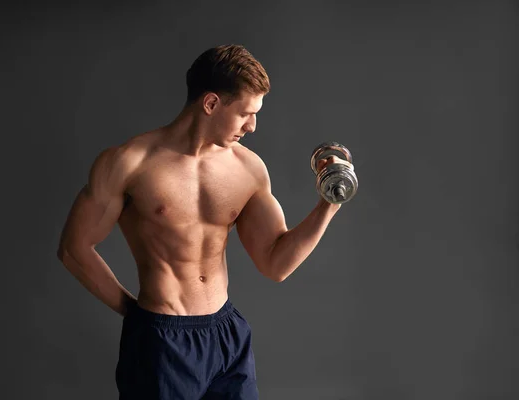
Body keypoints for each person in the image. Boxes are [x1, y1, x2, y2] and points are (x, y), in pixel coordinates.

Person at [57, 44, 353, 399]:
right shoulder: (129, 163)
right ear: (211, 103)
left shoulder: (248, 169)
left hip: (226, 335)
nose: (253, 126)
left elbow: (276, 264)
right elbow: (74, 249)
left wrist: (328, 203)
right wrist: (136, 314)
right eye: (245, 113)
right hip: (162, 338)